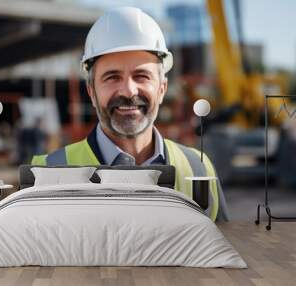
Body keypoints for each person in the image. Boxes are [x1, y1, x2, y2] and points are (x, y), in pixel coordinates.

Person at [31, 7, 229, 221]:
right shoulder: (47, 174)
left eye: (141, 76)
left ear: (161, 89)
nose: (128, 91)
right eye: (112, 77)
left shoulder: (198, 168)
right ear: (92, 92)